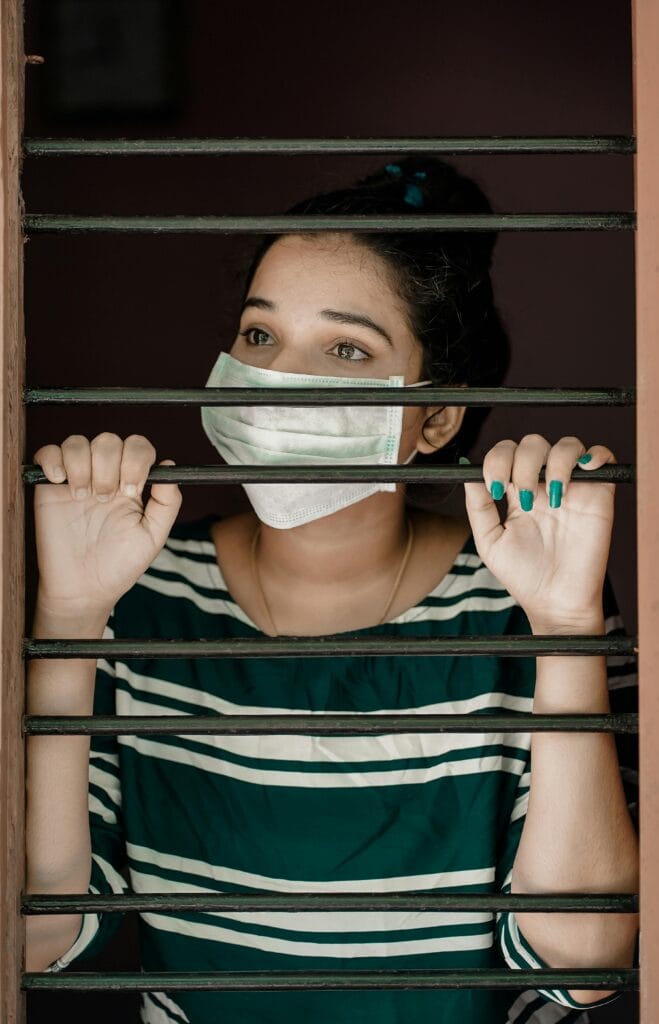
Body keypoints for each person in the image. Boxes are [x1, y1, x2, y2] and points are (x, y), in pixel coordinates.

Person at [25, 157, 639, 1024]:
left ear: (435, 417)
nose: (278, 378)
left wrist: (566, 625)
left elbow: (582, 963)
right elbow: (35, 942)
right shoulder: (138, 590)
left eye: (346, 348)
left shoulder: (520, 601)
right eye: (258, 336)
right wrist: (70, 618)